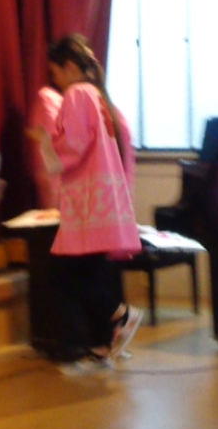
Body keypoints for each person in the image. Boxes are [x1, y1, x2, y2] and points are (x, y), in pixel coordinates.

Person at [31, 34, 142, 368]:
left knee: (59, 273)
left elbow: (73, 147)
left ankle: (121, 315)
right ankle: (101, 343)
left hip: (88, 202)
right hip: (105, 199)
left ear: (69, 66)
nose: (56, 81)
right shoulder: (99, 95)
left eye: (56, 73)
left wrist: (45, 143)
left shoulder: (78, 94)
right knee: (92, 272)